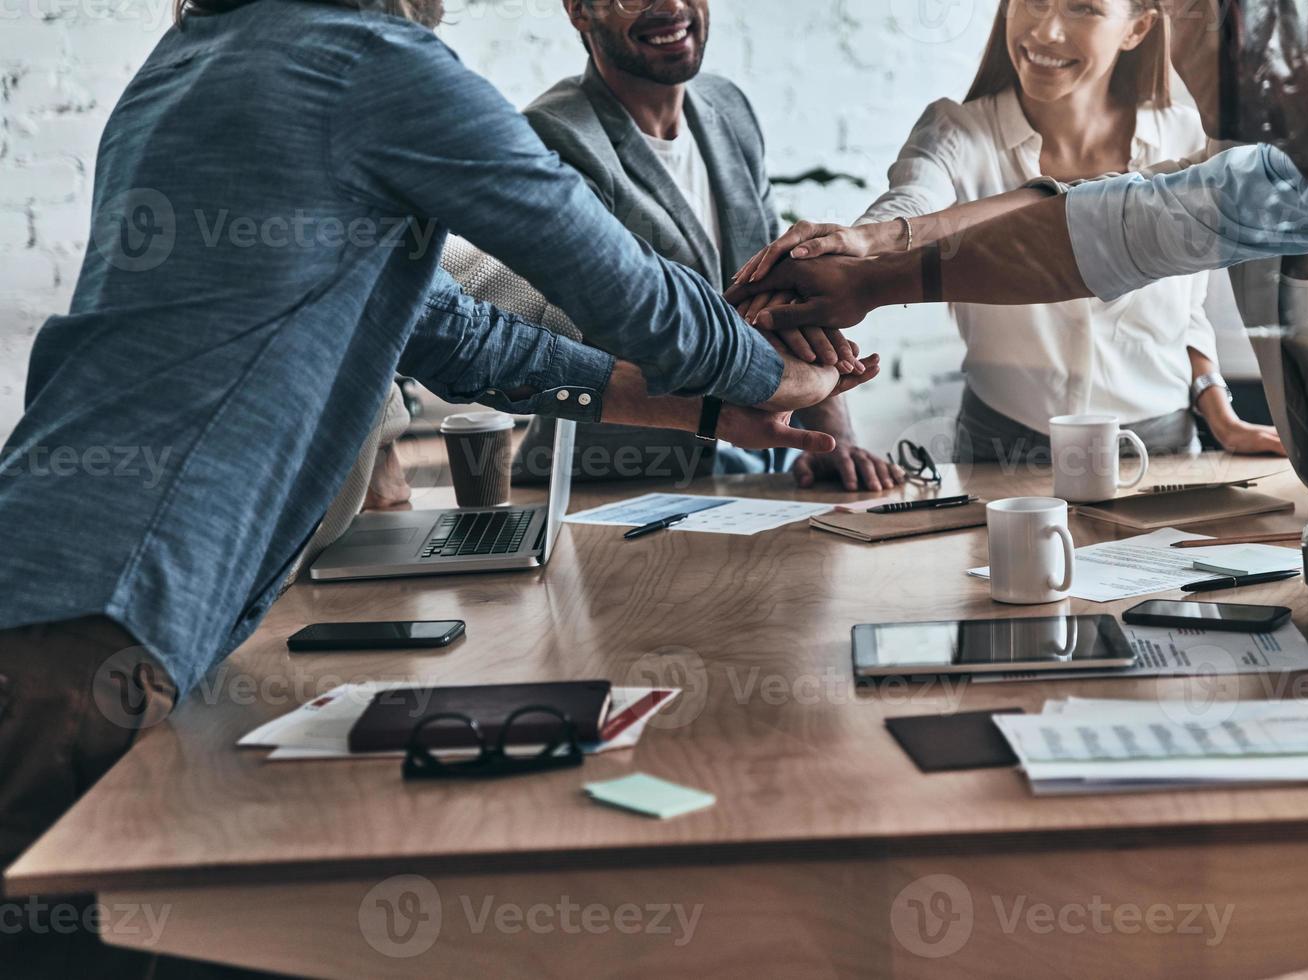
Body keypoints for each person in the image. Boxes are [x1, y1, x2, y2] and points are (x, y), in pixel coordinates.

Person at [0, 0, 879, 894]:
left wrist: (708, 415)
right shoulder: (374, 65)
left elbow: (459, 336)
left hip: (51, 588)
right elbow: (628, 294)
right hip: (91, 631)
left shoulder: (192, 58)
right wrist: (781, 378)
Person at [728, 0, 1308, 683]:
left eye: (1187, 16)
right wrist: (872, 275)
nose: (1182, 56)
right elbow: (1127, 223)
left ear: (1265, 25)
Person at [774, 0, 1283, 462]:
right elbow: (910, 200)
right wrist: (852, 246)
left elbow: (1185, 308)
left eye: (1083, 9)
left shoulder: (1187, 135)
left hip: (1160, 447)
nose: (1047, 30)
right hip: (1001, 449)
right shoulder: (957, 129)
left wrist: (1220, 414)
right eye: (1033, 2)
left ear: (1138, 29)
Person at [474, 0, 900, 491]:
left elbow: (786, 297)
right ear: (578, 11)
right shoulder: (554, 137)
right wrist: (764, 333)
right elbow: (607, 328)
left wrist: (835, 440)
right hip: (616, 486)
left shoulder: (728, 108)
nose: (672, 6)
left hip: (761, 481)